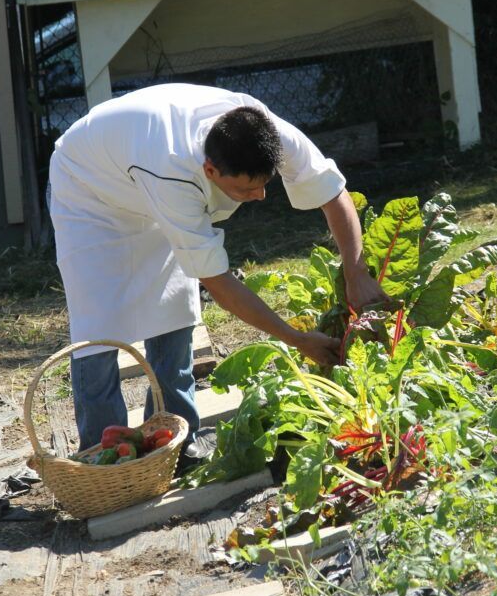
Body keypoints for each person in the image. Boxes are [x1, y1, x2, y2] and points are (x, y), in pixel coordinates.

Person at [48, 82, 384, 452]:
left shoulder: (266, 131)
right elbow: (218, 282)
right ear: (210, 169)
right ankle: (104, 453)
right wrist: (296, 338)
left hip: (139, 161)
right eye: (244, 189)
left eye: (264, 184)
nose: (260, 196)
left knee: (174, 311)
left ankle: (176, 442)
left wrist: (357, 272)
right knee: (99, 322)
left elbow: (333, 193)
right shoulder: (172, 171)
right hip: (91, 190)